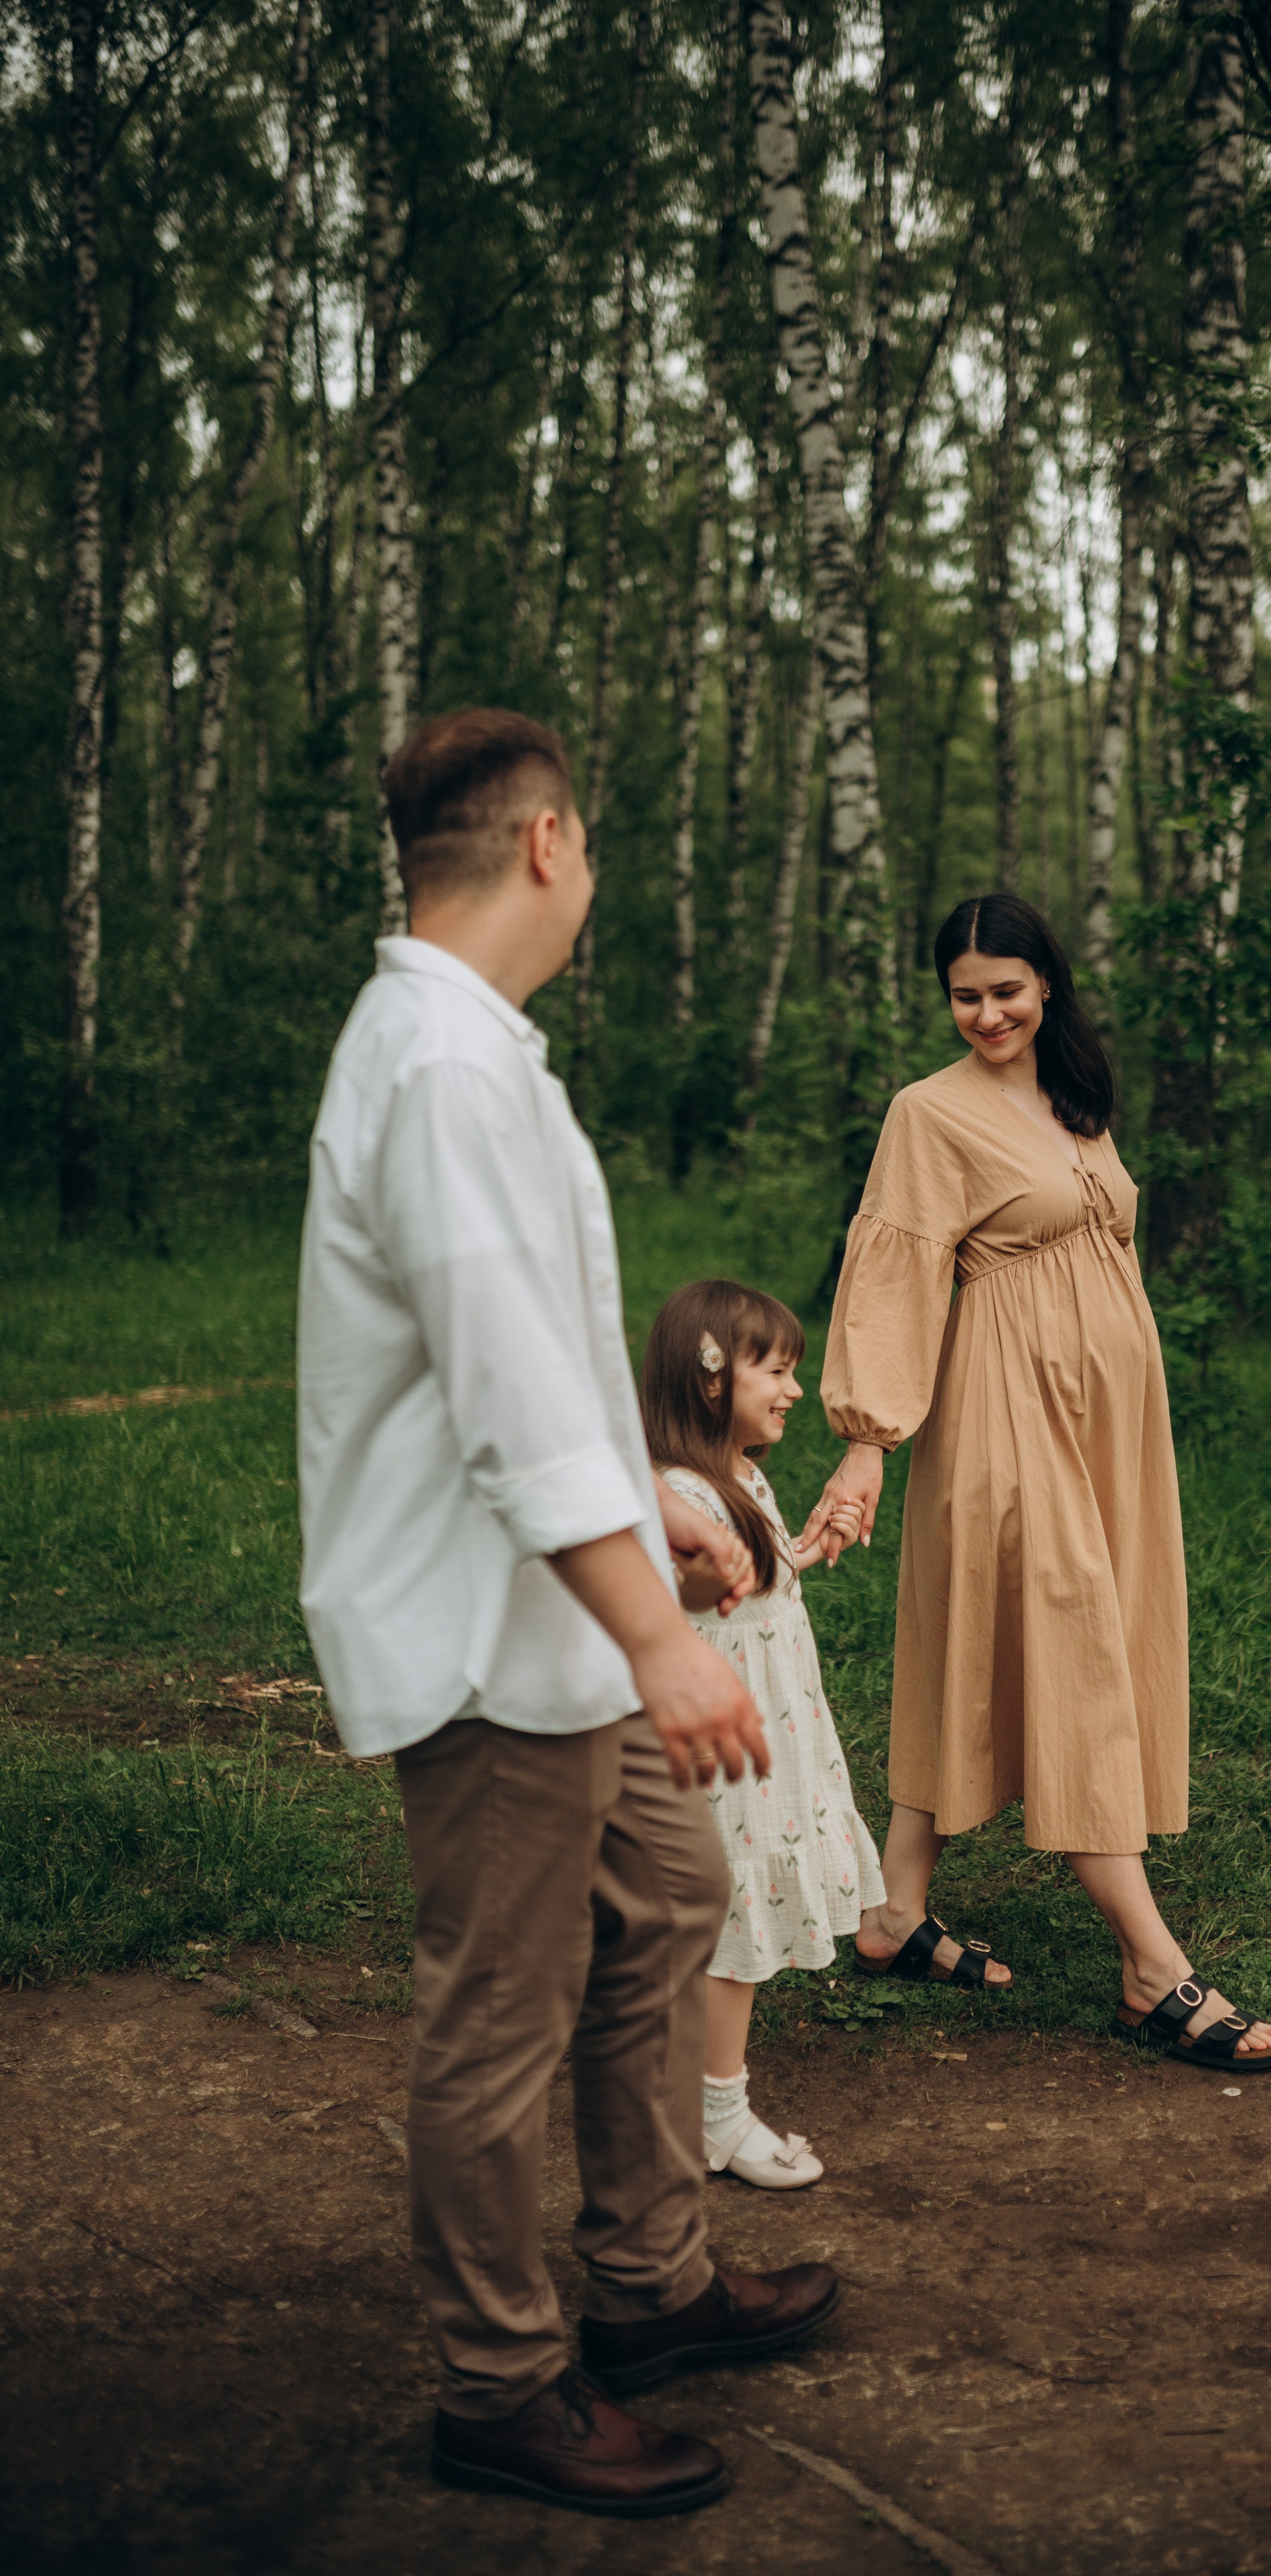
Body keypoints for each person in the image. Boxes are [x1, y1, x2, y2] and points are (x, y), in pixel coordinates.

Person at [297, 708, 839, 2521]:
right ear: (544, 845)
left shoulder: (478, 1056)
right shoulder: (440, 1068)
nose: (591, 877)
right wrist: (663, 1631)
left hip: (566, 1613)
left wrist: (663, 1503)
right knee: (499, 2011)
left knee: (671, 1896)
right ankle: (500, 2384)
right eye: (593, 847)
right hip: (485, 1628)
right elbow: (504, 1390)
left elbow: (547, 1367)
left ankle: (653, 2282)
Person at [803, 890, 1271, 2073]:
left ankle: (893, 1913)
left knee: (991, 1645)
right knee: (1070, 1659)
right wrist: (870, 1440)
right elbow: (897, 1266)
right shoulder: (928, 1114)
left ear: (1047, 986)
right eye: (963, 995)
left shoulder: (1075, 1099)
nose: (985, 1014)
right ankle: (1152, 1971)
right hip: (1007, 1419)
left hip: (1104, 1426)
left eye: (1006, 990)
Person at [641, 1279, 885, 2192]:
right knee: (731, 1926)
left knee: (724, 1928)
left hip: (771, 1729)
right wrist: (717, 1577)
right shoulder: (676, 1493)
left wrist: (806, 1549)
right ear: (710, 1379)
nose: (793, 1390)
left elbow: (760, 1588)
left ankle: (695, 2098)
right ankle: (716, 2118)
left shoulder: (739, 1475)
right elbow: (694, 1597)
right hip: (722, 1745)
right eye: (775, 1372)